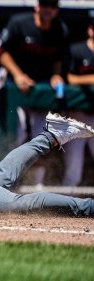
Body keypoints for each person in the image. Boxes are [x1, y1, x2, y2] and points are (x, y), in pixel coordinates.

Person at [0, 0, 69, 185]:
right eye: (44, 4)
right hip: (16, 86)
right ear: (37, 6)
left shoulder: (60, 29)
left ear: (56, 10)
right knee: (17, 135)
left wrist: (56, 75)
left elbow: (60, 57)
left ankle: (37, 187)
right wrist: (18, 74)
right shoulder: (19, 23)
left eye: (51, 6)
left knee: (43, 139)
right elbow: (0, 49)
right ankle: (5, 183)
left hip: (41, 91)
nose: (47, 9)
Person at [61, 20, 94, 186]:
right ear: (90, 29)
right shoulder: (77, 50)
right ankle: (63, 209)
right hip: (78, 115)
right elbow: (69, 78)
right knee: (73, 169)